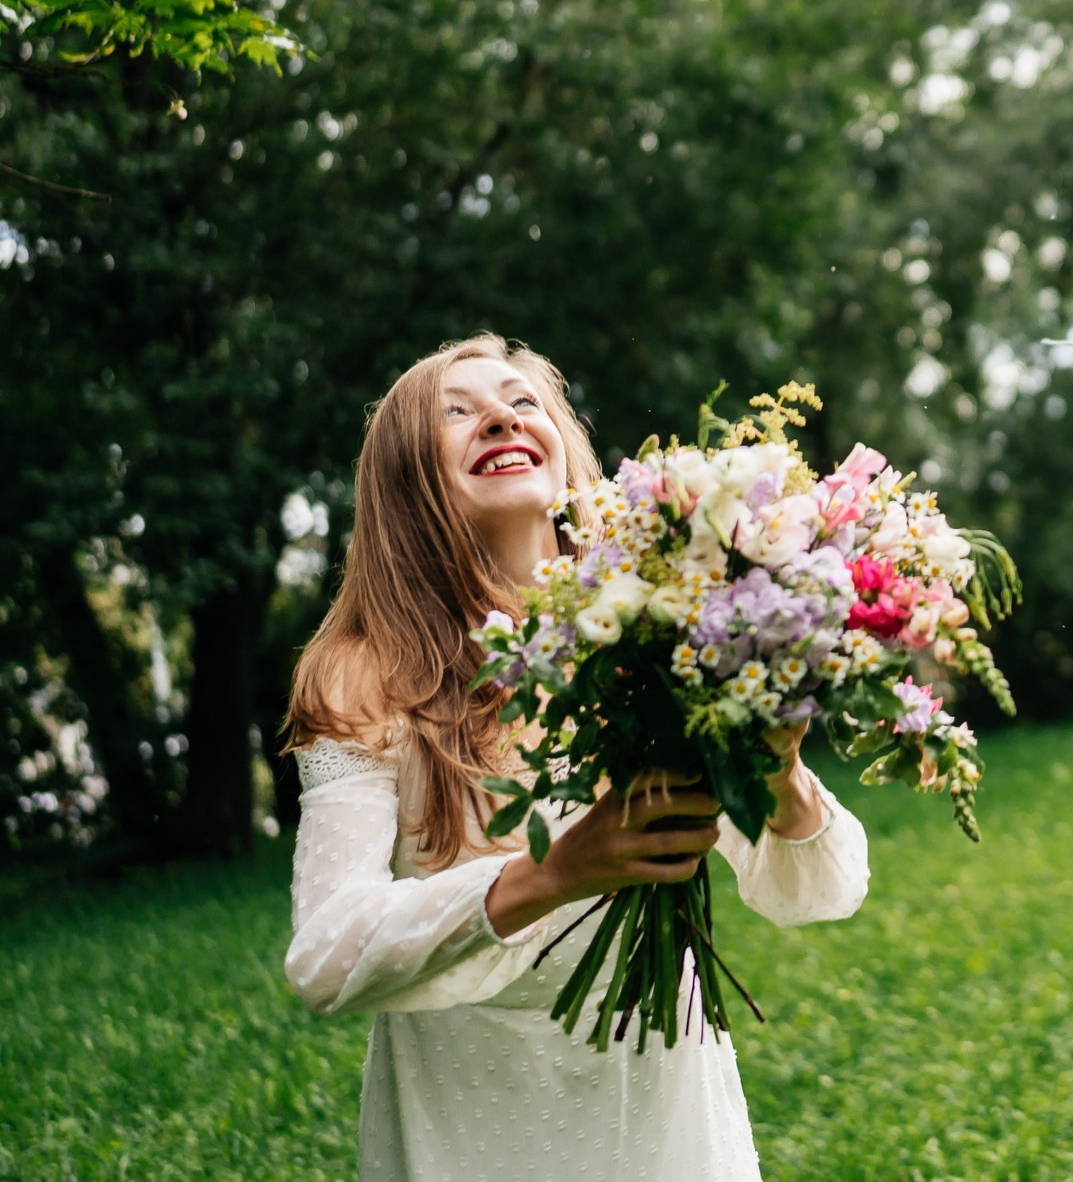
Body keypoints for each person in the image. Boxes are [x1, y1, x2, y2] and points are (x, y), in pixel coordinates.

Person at [282, 335, 869, 1182]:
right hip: (472, 1116)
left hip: (666, 1107)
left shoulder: (666, 625)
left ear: (564, 463)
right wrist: (552, 871)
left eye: (522, 401)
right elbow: (326, 955)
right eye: (456, 410)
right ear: (408, 482)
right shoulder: (364, 674)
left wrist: (774, 774)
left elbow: (820, 892)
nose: (497, 414)